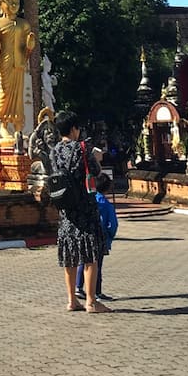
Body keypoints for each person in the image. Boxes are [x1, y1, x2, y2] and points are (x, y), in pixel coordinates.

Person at [49, 109, 110, 313]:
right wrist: (97, 158)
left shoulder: (54, 151)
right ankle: (91, 302)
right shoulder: (82, 148)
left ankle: (71, 300)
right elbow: (95, 172)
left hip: (66, 208)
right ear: (74, 128)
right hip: (84, 206)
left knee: (70, 255)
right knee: (90, 255)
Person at [0, 0, 35, 136]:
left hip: (19, 63)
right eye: (10, 1)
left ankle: (18, 126)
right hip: (5, 62)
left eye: (17, 1)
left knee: (18, 96)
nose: (14, 5)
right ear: (1, 3)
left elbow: (26, 50)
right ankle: (4, 125)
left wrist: (30, 46)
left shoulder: (24, 24)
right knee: (5, 92)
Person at [76, 172, 118, 301]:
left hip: (86, 234)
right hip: (100, 236)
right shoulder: (106, 204)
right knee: (97, 265)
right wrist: (110, 236)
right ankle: (97, 292)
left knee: (83, 261)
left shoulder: (87, 201)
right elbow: (113, 224)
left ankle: (78, 287)